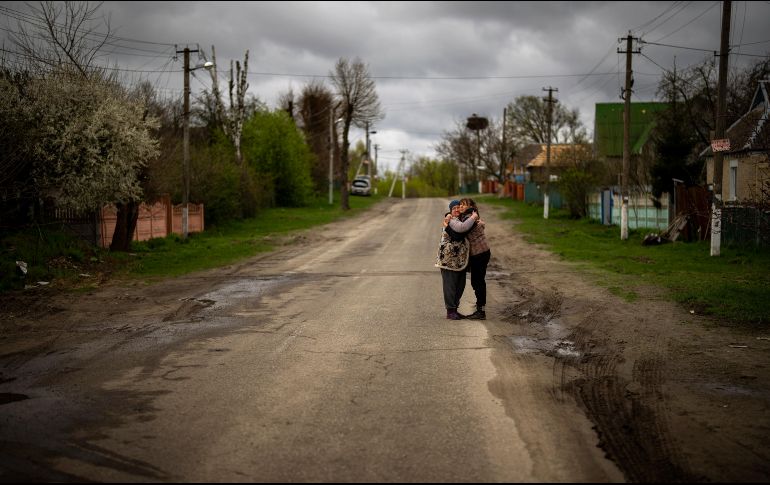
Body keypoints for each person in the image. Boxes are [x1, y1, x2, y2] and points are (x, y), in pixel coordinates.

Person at [435, 199, 478, 320]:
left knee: (460, 285)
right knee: (450, 286)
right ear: (450, 211)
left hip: (459, 261)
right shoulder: (451, 221)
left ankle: (455, 309)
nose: (457, 210)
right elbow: (458, 235)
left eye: (458, 207)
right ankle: (450, 311)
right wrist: (473, 219)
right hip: (448, 260)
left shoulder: (460, 220)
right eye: (454, 208)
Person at [458, 198, 491, 320]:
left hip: (480, 253)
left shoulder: (469, 218)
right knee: (477, 281)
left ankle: (481, 311)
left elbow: (460, 230)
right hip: (479, 253)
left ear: (471, 206)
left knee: (478, 282)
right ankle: (480, 308)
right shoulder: (469, 216)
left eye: (464, 204)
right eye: (460, 204)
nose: (461, 206)